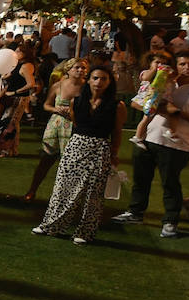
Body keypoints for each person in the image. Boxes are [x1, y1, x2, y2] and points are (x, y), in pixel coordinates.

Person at [113, 50, 189, 238]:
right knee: (141, 180)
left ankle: (170, 222)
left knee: (170, 184)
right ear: (175, 65)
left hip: (176, 144)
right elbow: (137, 103)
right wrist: (157, 106)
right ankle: (135, 212)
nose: (186, 67)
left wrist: (176, 112)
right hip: (147, 138)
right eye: (182, 64)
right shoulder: (165, 78)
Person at [36, 66, 126, 245]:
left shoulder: (118, 105)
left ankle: (85, 232)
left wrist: (114, 153)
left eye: (103, 79)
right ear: (89, 80)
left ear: (109, 82)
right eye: (95, 78)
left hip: (100, 148)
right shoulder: (76, 101)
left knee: (93, 193)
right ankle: (51, 225)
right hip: (76, 146)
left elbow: (117, 132)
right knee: (62, 187)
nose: (98, 82)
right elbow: (76, 123)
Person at [22, 59, 87, 202]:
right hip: (56, 126)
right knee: (46, 160)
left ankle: (68, 197)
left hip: (76, 126)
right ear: (68, 70)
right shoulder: (58, 86)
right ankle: (32, 190)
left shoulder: (87, 88)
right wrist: (56, 109)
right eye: (77, 67)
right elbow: (46, 105)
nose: (80, 70)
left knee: (72, 164)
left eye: (83, 68)